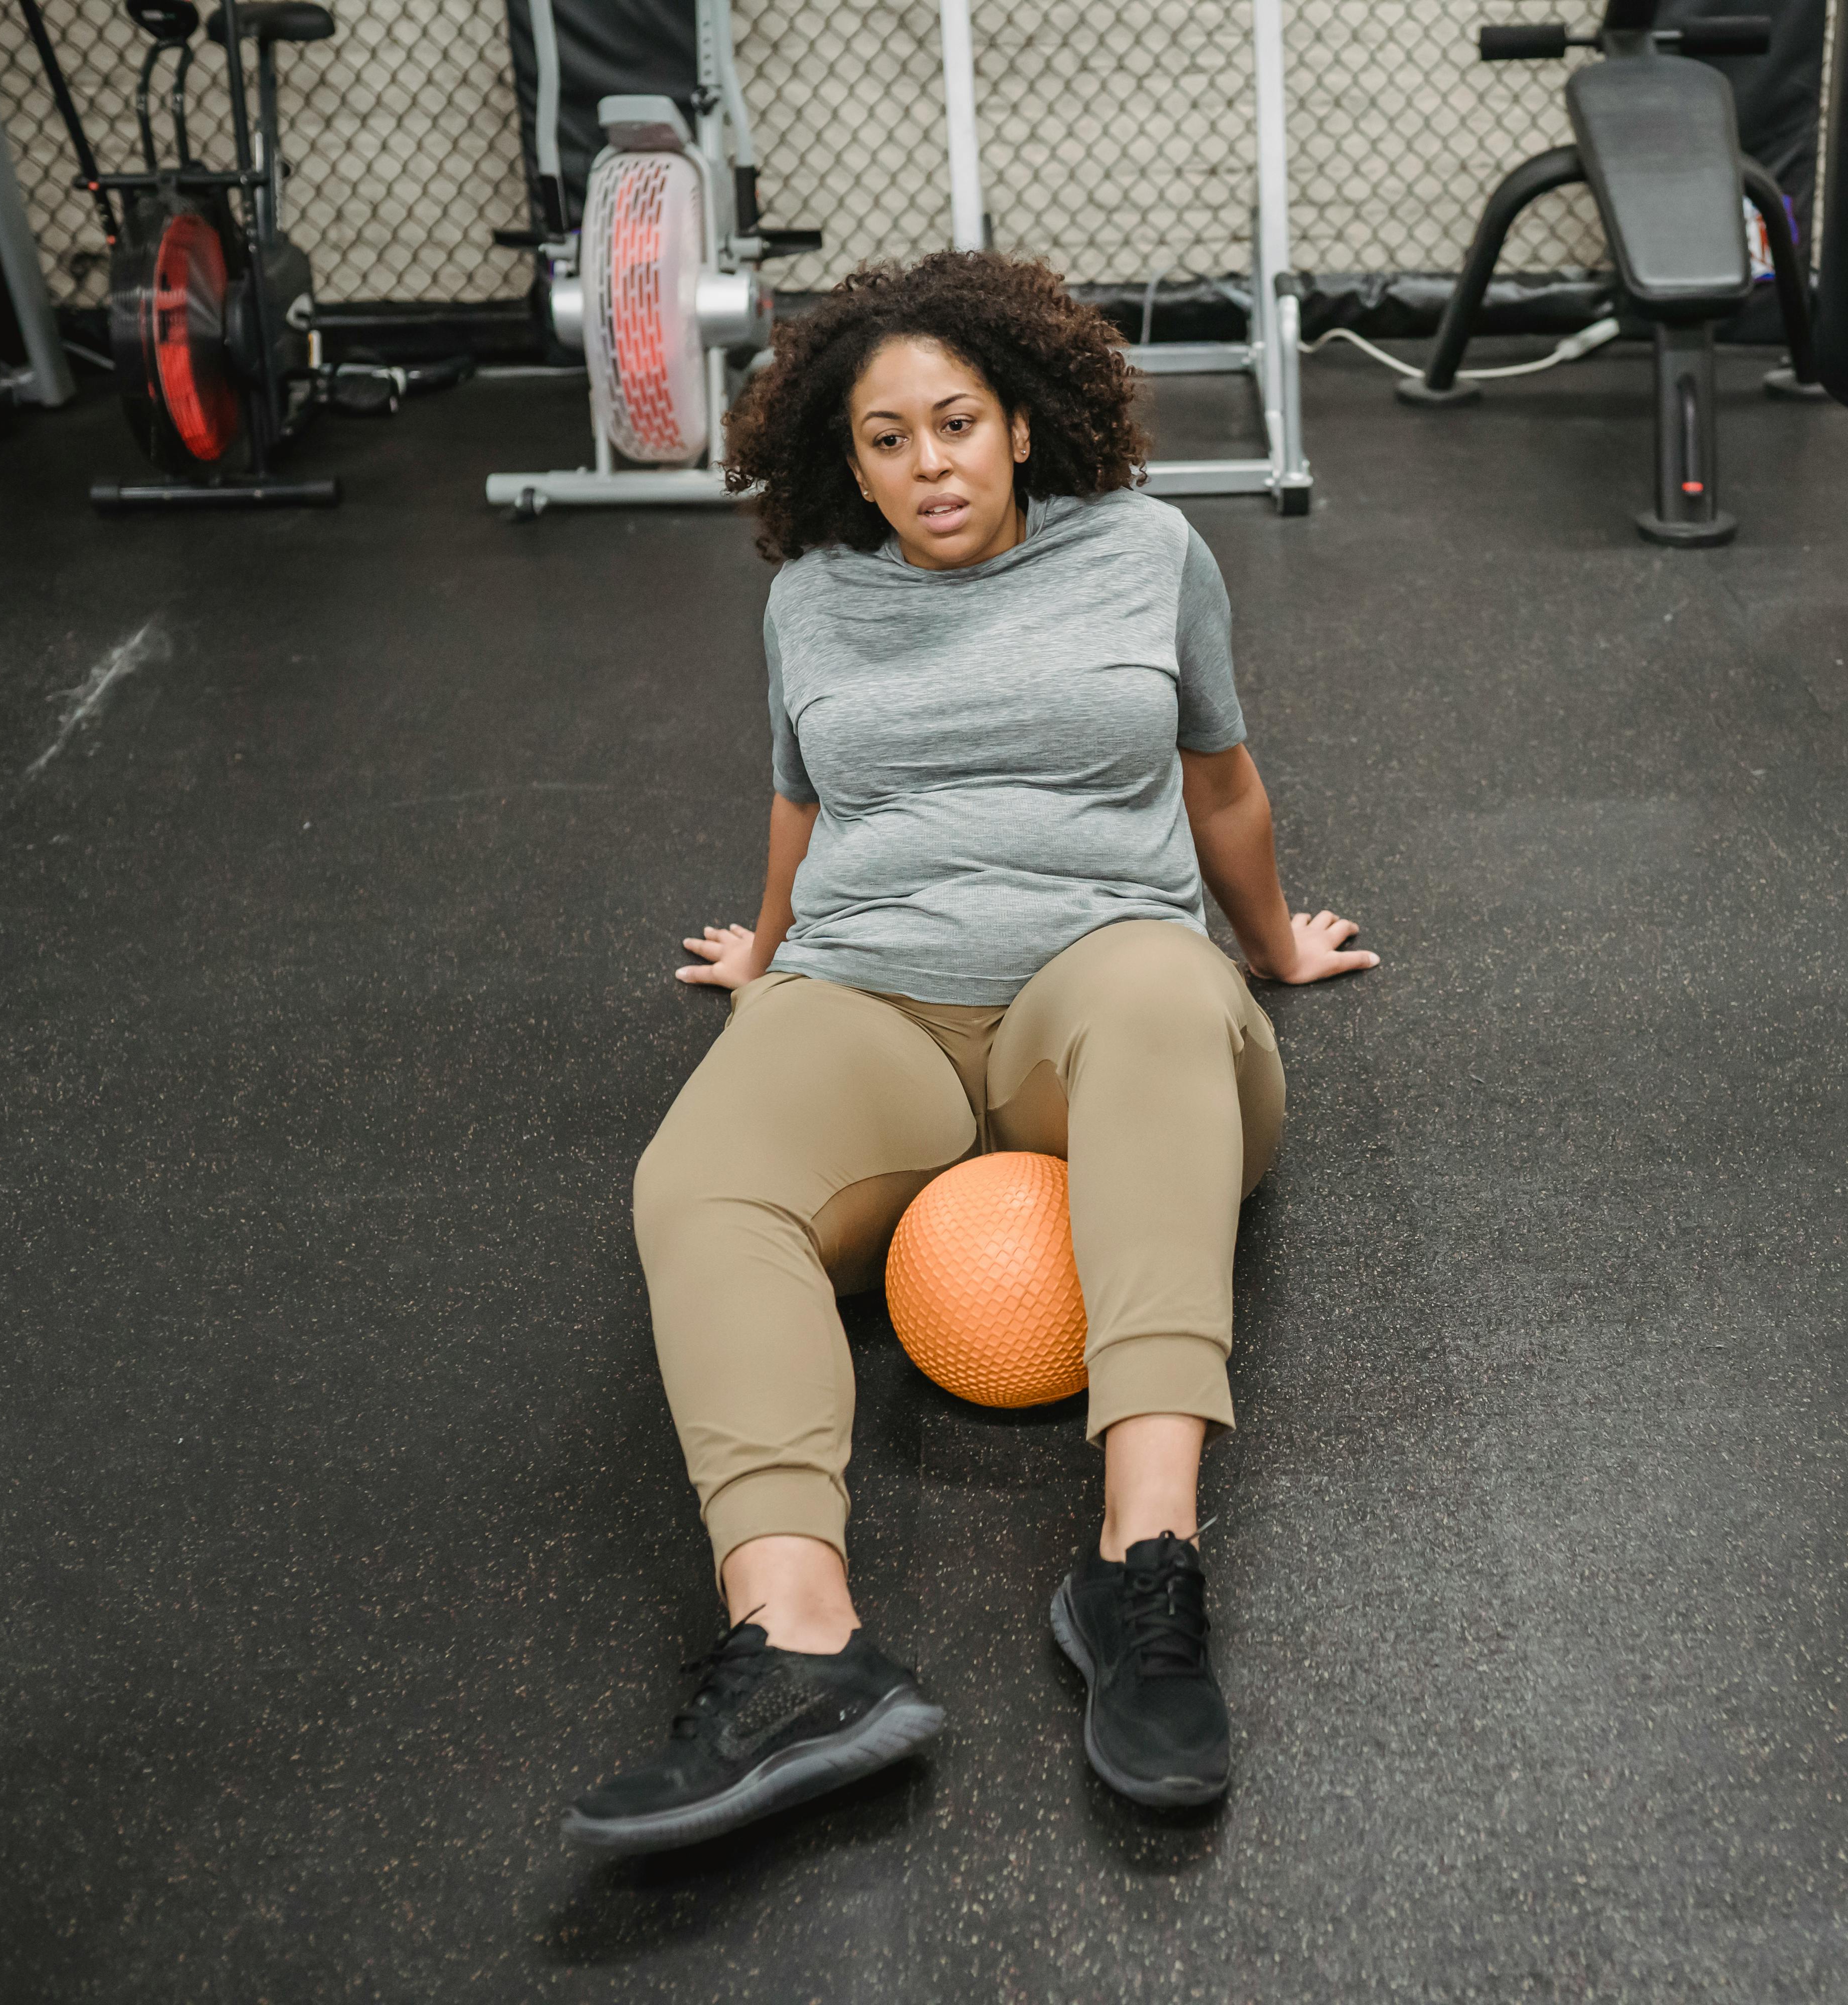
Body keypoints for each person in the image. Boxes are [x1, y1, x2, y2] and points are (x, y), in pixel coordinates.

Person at [564, 252, 1376, 1853]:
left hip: (1110, 991)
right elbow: (805, 798)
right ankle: (800, 1645)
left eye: (955, 423)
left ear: (1021, 422)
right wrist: (772, 947)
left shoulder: (1146, 553)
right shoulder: (810, 597)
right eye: (886, 439)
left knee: (1156, 1000)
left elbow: (1220, 779)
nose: (928, 464)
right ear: (843, 460)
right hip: (875, 995)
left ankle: (1144, 1575)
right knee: (696, 1181)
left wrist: (1273, 944)